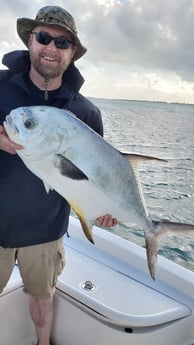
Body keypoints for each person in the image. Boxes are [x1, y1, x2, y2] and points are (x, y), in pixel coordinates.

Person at [0, 6, 117, 345]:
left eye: (62, 42)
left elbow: (96, 176)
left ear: (73, 53)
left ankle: (42, 343)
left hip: (45, 230)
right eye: (43, 37)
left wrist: (104, 210)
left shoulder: (87, 113)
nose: (51, 47)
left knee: (42, 296)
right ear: (29, 41)